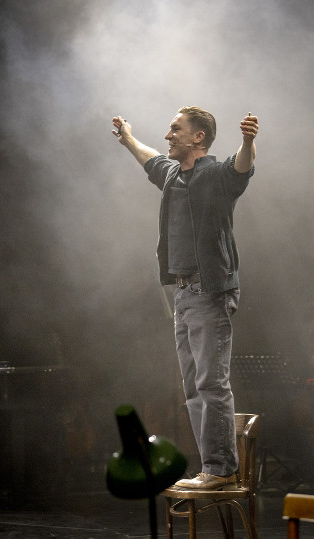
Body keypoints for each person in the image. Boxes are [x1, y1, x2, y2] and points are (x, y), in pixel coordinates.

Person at [111, 107, 258, 490]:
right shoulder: (173, 175)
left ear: (198, 137)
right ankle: (211, 467)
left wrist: (248, 141)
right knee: (192, 388)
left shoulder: (215, 175)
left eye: (175, 129)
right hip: (182, 294)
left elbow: (241, 167)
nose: (168, 135)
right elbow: (151, 159)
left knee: (212, 384)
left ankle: (221, 470)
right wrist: (128, 139)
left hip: (210, 292)